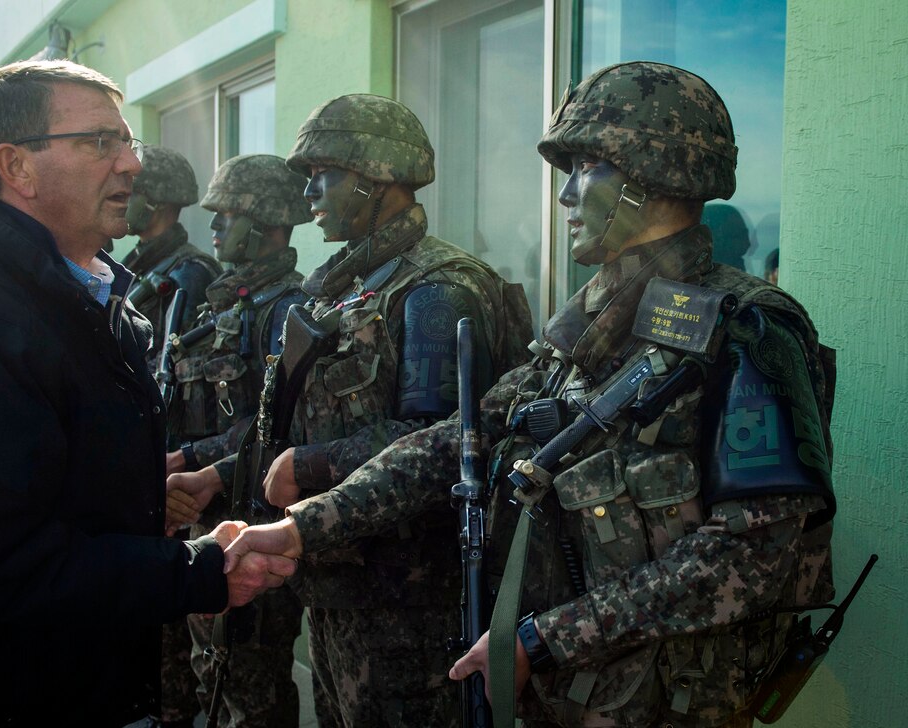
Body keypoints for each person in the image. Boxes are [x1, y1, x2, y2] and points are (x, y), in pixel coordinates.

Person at [223, 63, 837, 727]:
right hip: (560, 698)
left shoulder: (746, 329)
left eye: (589, 167)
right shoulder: (586, 329)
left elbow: (754, 558)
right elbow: (458, 441)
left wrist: (547, 640)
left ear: (658, 173)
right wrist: (302, 528)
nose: (567, 196)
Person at [0, 59, 294, 726]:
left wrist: (142, 505)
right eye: (98, 142)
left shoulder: (83, 296)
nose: (130, 166)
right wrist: (193, 571)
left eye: (126, 141)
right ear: (16, 167)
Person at [169, 94, 535, 726]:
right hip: (341, 586)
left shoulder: (434, 289)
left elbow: (435, 438)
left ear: (374, 181)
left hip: (408, 606)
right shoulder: (348, 288)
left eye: (325, 175)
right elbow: (288, 425)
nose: (310, 192)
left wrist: (310, 467)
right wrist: (216, 475)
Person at [157, 153, 311, 727]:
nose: (215, 225)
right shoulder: (228, 302)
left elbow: (280, 421)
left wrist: (195, 460)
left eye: (228, 214)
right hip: (208, 516)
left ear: (267, 222)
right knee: (211, 682)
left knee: (247, 693)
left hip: (252, 521)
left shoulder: (287, 308)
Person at [124, 145, 221, 361]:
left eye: (130, 191)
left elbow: (181, 360)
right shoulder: (139, 263)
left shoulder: (190, 271)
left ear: (156, 201)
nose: (121, 198)